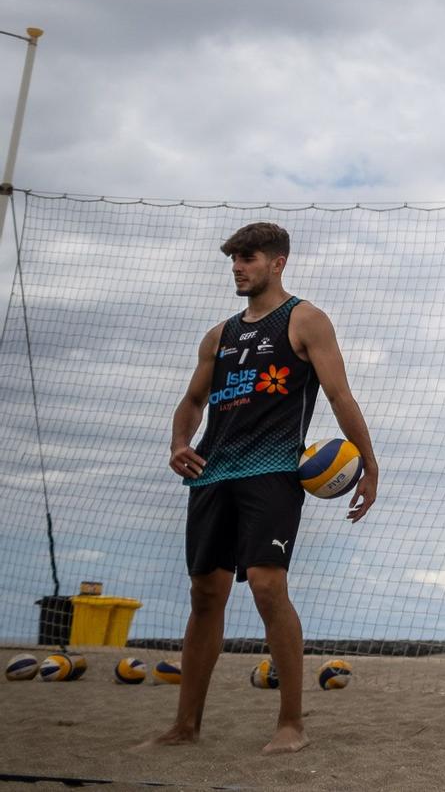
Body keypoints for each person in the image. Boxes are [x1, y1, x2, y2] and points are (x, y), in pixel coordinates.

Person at [142, 223, 380, 756]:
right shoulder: (219, 335)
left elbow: (340, 395)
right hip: (213, 473)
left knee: (268, 588)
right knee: (205, 595)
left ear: (277, 262)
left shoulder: (306, 320)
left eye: (246, 258)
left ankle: (291, 724)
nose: (236, 267)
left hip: (272, 471)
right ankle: (185, 726)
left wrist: (369, 463)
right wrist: (179, 442)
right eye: (233, 260)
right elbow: (191, 401)